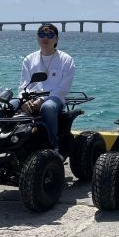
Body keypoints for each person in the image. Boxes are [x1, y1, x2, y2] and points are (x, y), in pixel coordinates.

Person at [17, 23, 75, 158]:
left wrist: (42, 100)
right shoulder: (29, 59)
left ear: (56, 39)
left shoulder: (66, 60)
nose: (45, 38)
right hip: (30, 98)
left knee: (47, 108)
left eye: (50, 35)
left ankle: (54, 146)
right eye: (42, 35)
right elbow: (23, 85)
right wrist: (23, 100)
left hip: (55, 98)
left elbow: (63, 88)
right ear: (37, 38)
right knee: (5, 106)